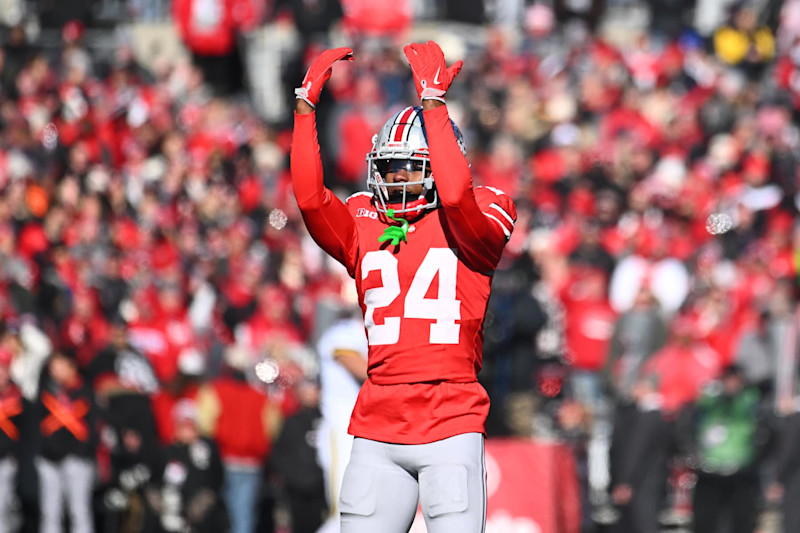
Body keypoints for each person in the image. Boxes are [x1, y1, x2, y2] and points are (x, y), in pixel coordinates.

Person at [290, 41, 517, 532]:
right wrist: (305, 110)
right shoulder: (363, 219)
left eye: (408, 168)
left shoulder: (481, 213)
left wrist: (433, 101)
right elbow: (310, 199)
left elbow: (456, 196)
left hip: (449, 419)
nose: (394, 179)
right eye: (388, 167)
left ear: (437, 164)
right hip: (377, 423)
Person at [315, 308, 368, 532]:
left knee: (364, 507)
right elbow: (365, 370)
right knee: (344, 509)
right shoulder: (343, 333)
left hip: (367, 430)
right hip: (342, 428)